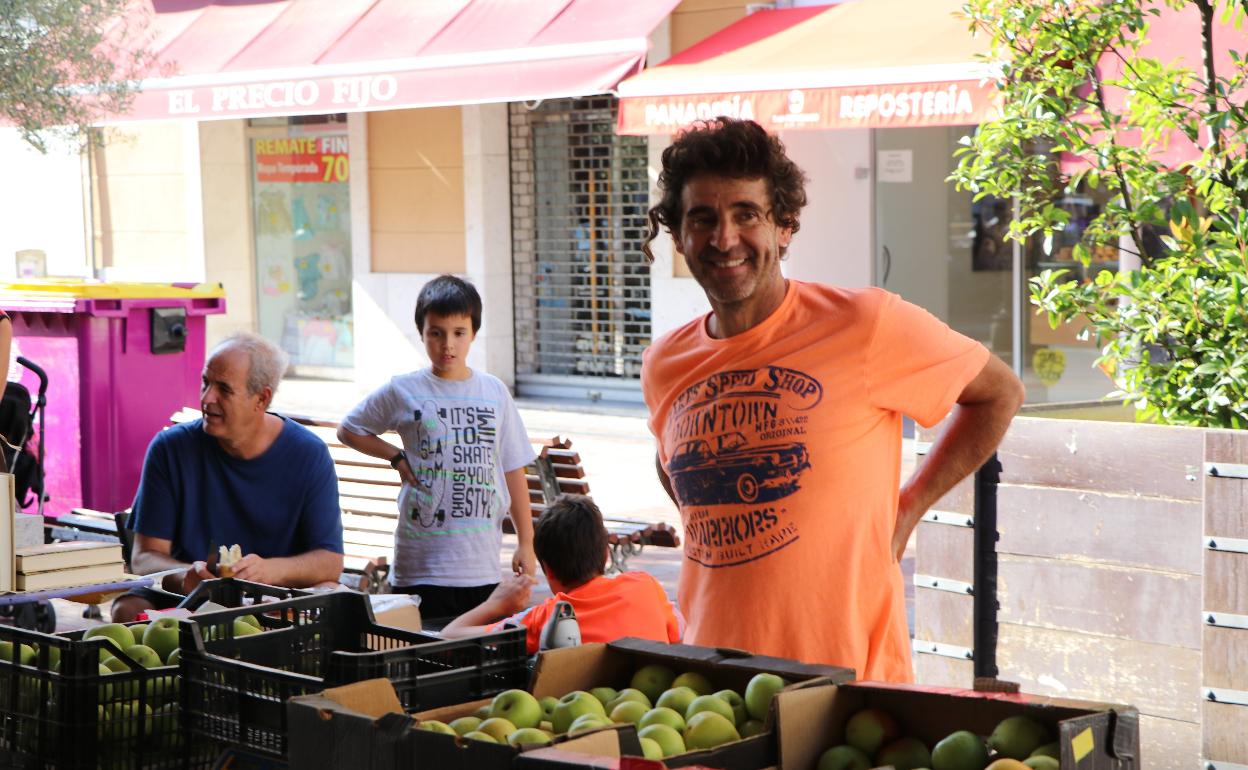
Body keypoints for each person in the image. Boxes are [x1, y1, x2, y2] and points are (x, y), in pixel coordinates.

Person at [640, 117, 1025, 682]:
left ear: (785, 227)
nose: (724, 239)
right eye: (702, 218)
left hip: (847, 683)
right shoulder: (665, 362)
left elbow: (998, 393)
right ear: (678, 236)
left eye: (747, 214)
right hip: (712, 680)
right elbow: (669, 461)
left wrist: (908, 507)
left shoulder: (865, 324)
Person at [338, 275, 537, 620]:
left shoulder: (494, 392)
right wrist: (395, 457)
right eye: (436, 332)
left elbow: (512, 467)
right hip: (421, 566)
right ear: (422, 332)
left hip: (480, 567)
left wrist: (526, 542)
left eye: (459, 333)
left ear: (473, 333)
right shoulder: (404, 389)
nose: (448, 344)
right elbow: (350, 429)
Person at [112, 332, 345, 622]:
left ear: (261, 398)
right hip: (188, 603)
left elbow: (329, 563)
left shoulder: (308, 454)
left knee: (332, 596)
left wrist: (268, 571)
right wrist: (186, 576)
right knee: (127, 608)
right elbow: (144, 557)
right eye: (205, 382)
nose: (207, 398)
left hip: (273, 601)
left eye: (224, 388)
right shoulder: (170, 449)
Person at [441, 494, 681, 653]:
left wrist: (495, 605)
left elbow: (448, 637)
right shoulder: (646, 587)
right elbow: (680, 634)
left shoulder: (545, 619)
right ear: (606, 556)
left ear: (548, 571)